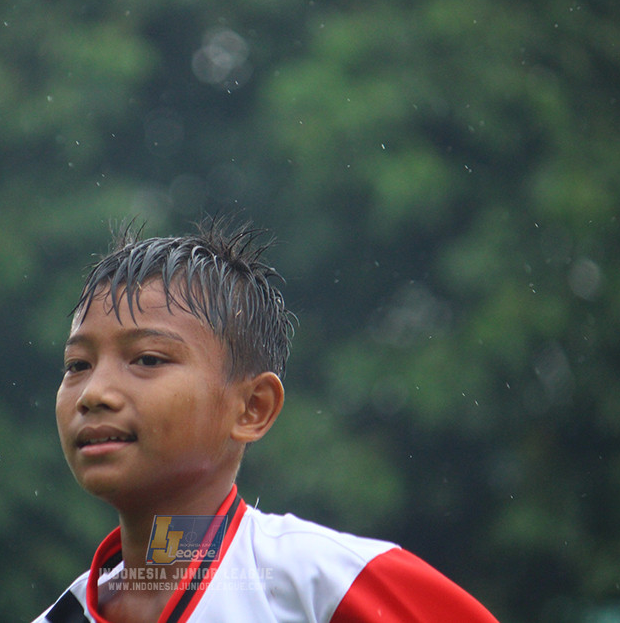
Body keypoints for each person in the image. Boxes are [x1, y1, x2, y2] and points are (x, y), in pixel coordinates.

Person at [34, 219, 498, 622]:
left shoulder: (327, 585)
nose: (94, 393)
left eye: (148, 359)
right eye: (77, 365)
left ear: (252, 408)